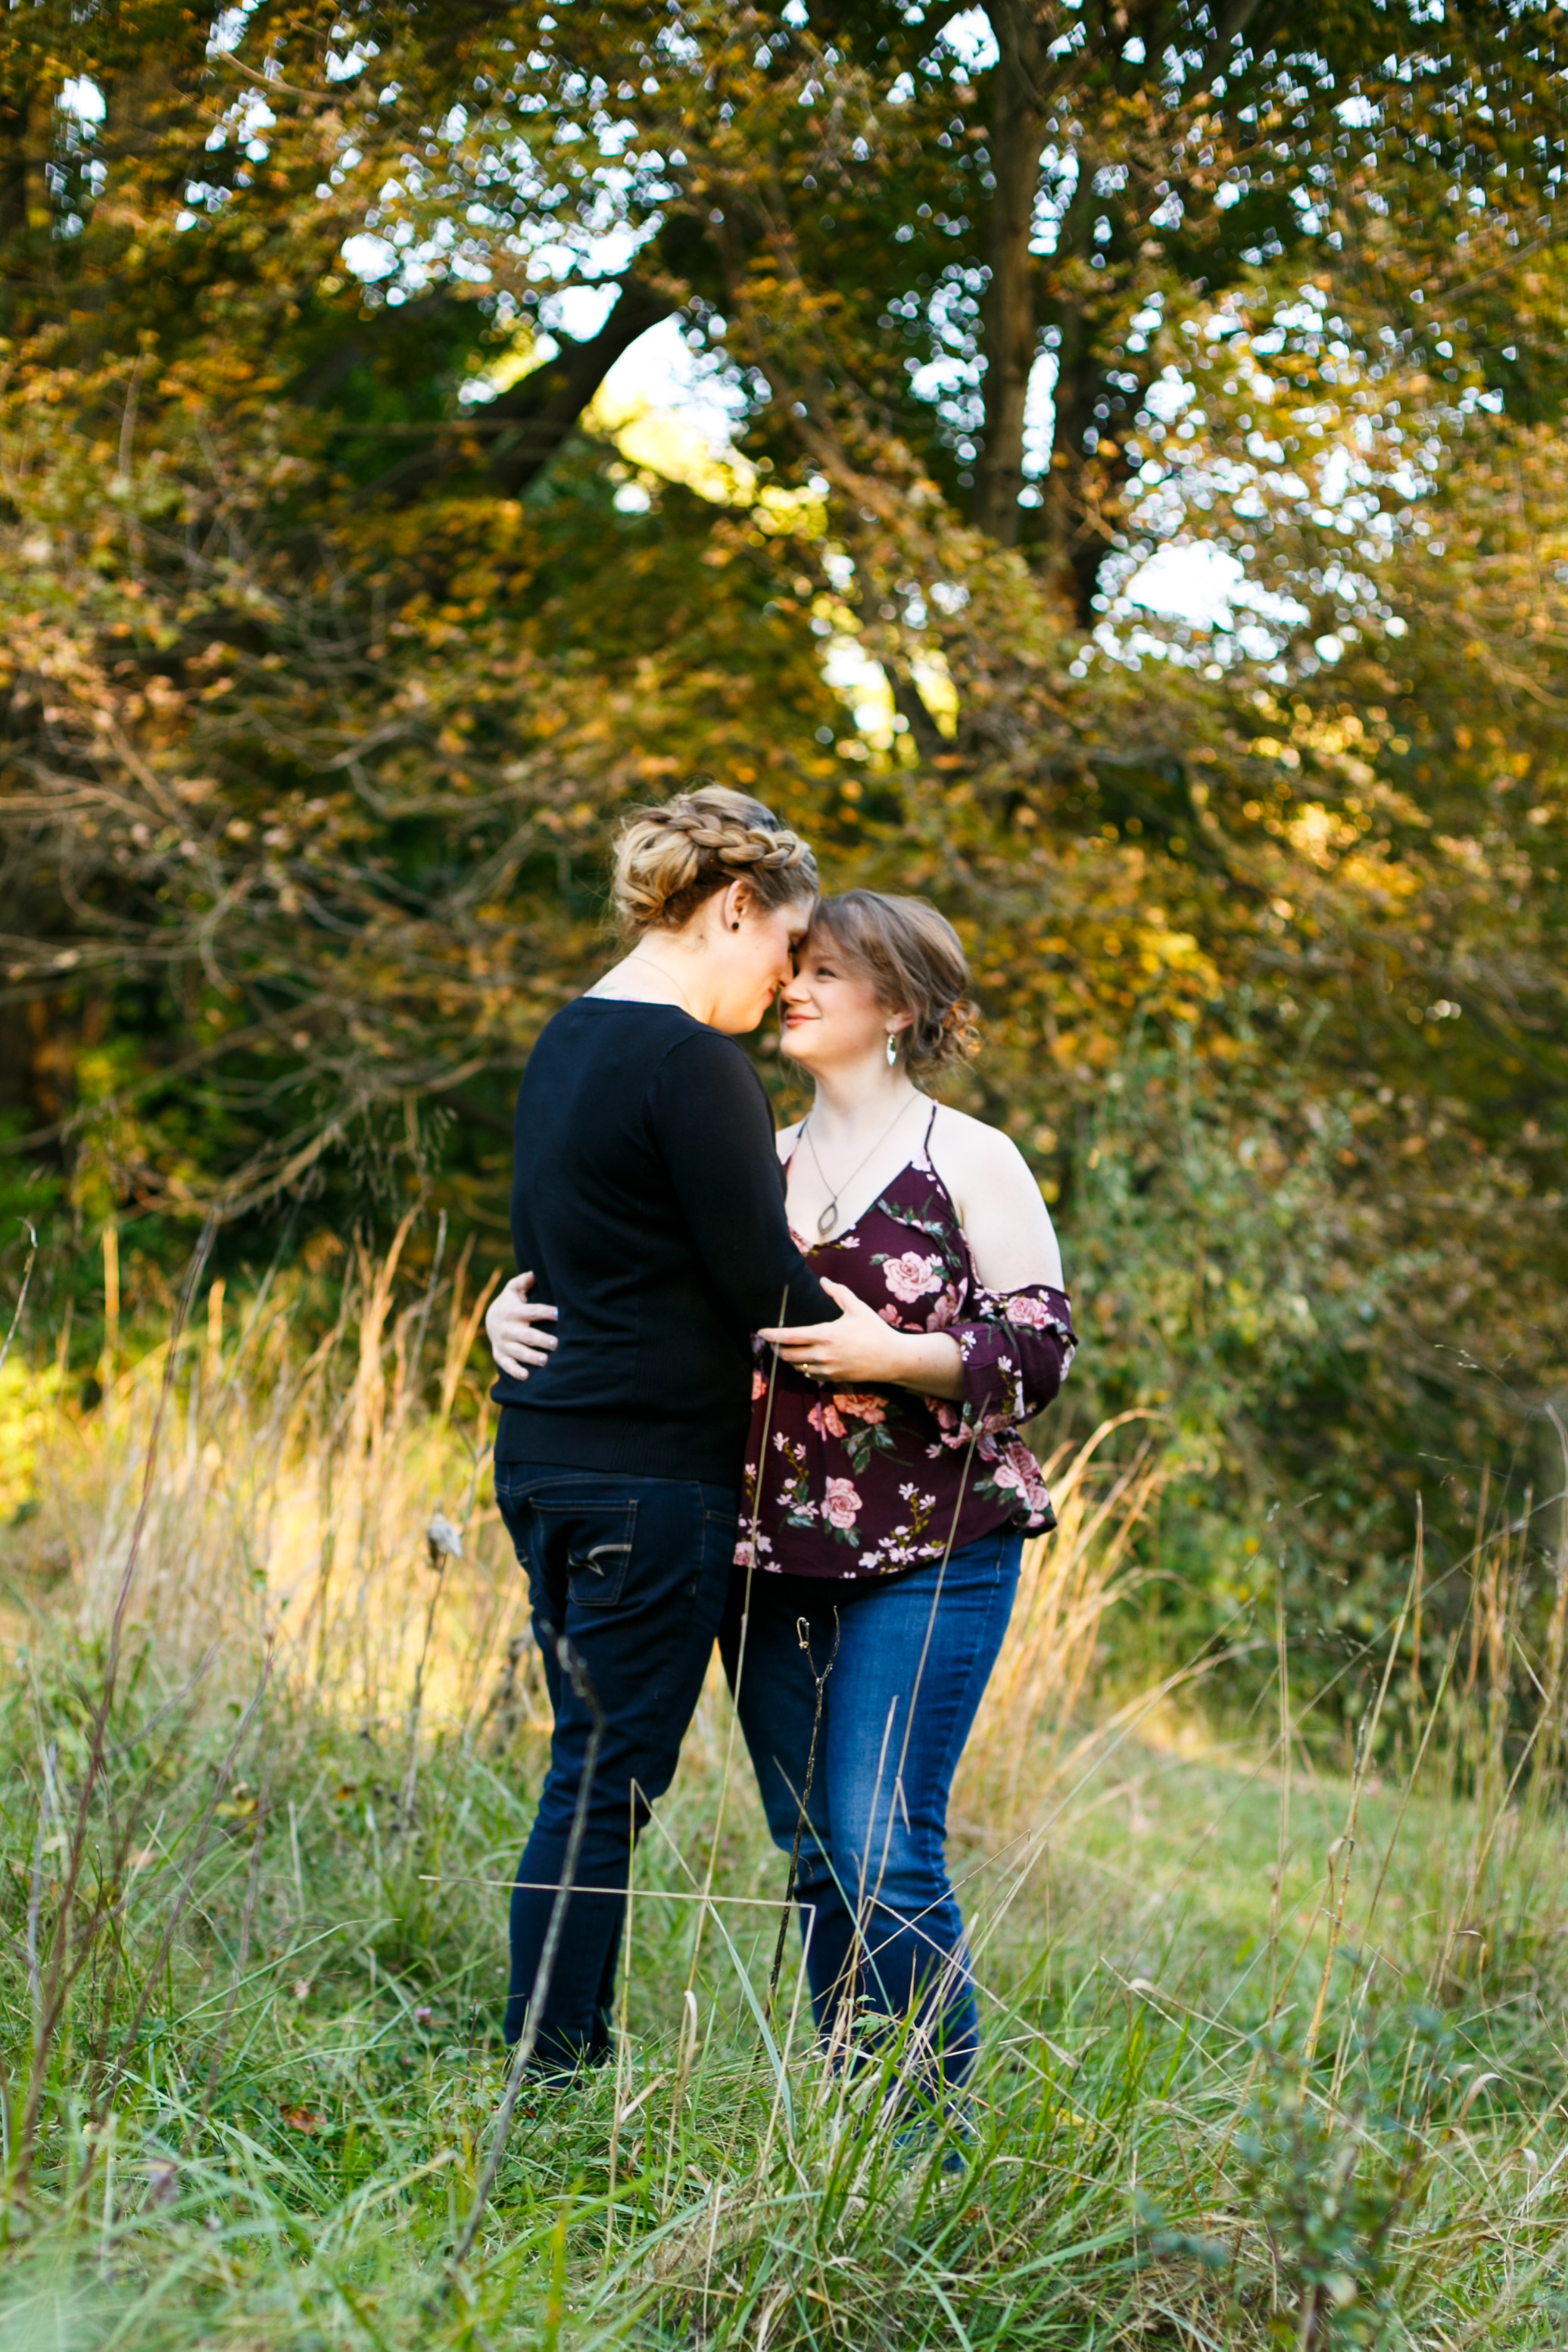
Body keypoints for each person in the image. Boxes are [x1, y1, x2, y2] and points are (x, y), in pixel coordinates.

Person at [492, 885, 1075, 2098]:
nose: (795, 984)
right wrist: (499, 1312)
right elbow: (627, 1286)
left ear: (902, 1004)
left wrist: (900, 1356)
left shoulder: (971, 1158)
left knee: (880, 1846)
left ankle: (925, 2137)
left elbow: (1040, 1349)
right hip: (767, 1555)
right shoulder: (753, 1156)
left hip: (933, 1542)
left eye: (831, 970)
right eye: (792, 961)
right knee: (815, 1851)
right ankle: (853, 2129)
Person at [486, 781, 838, 2075]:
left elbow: (566, 1256)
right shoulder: (695, 1060)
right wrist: (932, 1351)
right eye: (785, 949)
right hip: (646, 1474)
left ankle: (554, 2059)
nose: (785, 984)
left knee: (588, 1770)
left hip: (545, 1454)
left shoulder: (566, 1037)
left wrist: (494, 1317)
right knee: (604, 1784)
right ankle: (555, 2075)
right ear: (734, 908)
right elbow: (766, 1285)